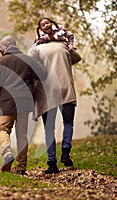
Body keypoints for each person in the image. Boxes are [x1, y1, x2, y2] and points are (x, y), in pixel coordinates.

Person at [0, 35, 46, 175]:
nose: (0, 50)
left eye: (1, 47)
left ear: (5, 46)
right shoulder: (27, 60)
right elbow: (43, 75)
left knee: (3, 129)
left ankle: (7, 152)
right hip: (24, 103)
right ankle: (21, 166)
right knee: (22, 134)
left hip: (6, 102)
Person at [28, 17, 77, 174]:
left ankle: (52, 164)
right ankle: (65, 151)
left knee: (49, 128)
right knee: (68, 122)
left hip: (47, 91)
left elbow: (30, 67)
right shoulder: (64, 44)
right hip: (65, 87)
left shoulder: (35, 49)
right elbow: (77, 58)